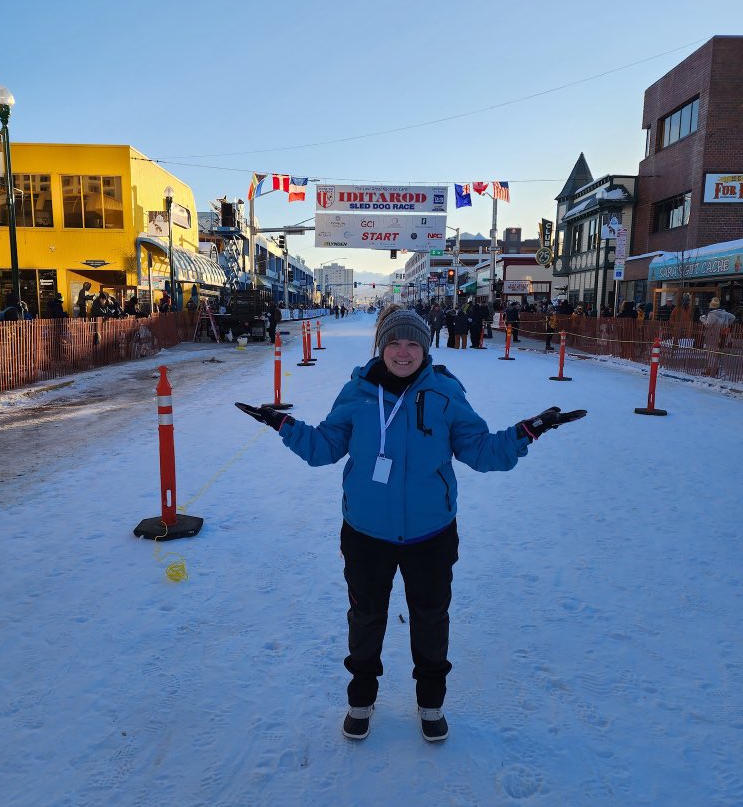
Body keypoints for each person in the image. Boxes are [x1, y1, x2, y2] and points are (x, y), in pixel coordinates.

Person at [235, 308, 586, 742]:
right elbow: (325, 447)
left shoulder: (445, 393)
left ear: (425, 347)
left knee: (431, 619)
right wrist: (284, 424)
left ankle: (431, 702)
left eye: (412, 344)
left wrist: (526, 431)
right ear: (381, 347)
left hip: (431, 534)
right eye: (394, 343)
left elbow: (480, 451)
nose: (403, 352)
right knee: (365, 618)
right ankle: (361, 700)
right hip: (366, 533)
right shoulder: (357, 392)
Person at [701, 297, 736, 377]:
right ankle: (715, 369)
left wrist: (703, 319)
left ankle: (711, 370)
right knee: (717, 353)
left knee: (710, 353)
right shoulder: (725, 313)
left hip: (713, 336)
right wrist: (726, 324)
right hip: (723, 336)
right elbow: (733, 317)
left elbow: (708, 325)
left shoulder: (712, 314)